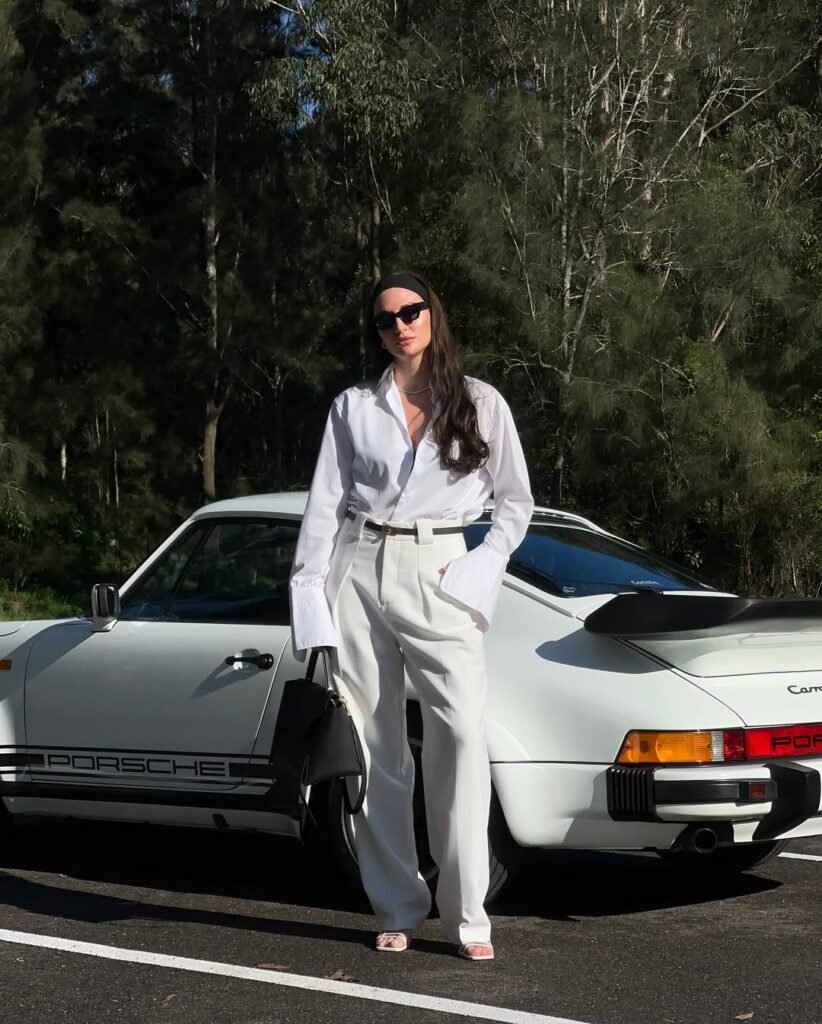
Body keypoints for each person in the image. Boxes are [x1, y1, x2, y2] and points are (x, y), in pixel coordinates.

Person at [289, 271, 533, 961]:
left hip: (444, 571)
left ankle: (468, 916)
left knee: (460, 739)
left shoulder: (480, 402)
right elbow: (322, 510)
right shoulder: (352, 408)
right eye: (385, 319)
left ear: (433, 315)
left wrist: (479, 570)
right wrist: (311, 610)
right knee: (374, 748)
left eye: (412, 311)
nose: (400, 325)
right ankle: (396, 903)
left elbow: (515, 505)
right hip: (360, 569)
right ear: (376, 334)